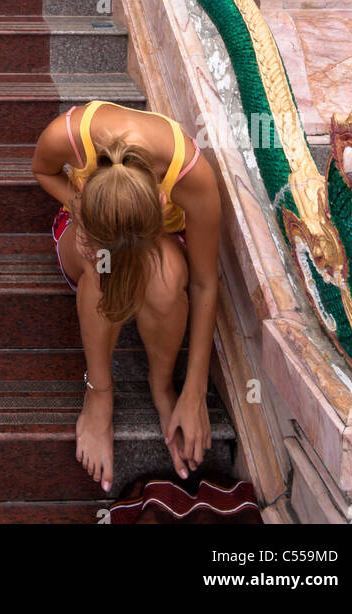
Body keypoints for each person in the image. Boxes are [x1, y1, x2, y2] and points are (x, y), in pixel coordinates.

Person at [31, 98, 220, 494]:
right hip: (88, 227)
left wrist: (194, 392)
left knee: (166, 278)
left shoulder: (191, 176)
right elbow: (42, 171)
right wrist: (79, 207)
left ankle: (161, 383)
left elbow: (203, 282)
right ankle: (98, 392)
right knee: (103, 265)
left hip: (158, 244)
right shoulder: (67, 134)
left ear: (163, 202)